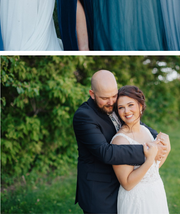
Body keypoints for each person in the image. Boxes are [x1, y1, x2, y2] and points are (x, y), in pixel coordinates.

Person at [73, 70, 170, 214]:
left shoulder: (116, 105)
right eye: (105, 98)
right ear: (92, 94)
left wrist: (159, 138)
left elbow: (136, 124)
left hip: (126, 184)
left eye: (114, 95)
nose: (112, 102)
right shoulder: (84, 117)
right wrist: (148, 151)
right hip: (101, 191)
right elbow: (105, 152)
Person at [111, 86, 170, 214]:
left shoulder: (146, 131)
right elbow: (127, 183)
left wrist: (167, 149)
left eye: (130, 105)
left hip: (156, 193)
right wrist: (148, 160)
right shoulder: (120, 141)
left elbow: (154, 169)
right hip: (136, 199)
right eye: (121, 107)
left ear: (141, 106)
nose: (126, 111)